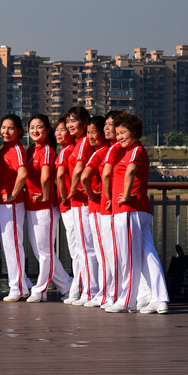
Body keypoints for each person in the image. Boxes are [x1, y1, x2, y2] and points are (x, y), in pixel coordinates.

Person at [105, 113, 169, 314]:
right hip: (137, 210)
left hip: (129, 210)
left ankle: (127, 300)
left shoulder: (135, 150)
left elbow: (131, 170)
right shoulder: (129, 150)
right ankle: (160, 299)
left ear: (134, 132)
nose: (119, 137)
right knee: (148, 256)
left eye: (123, 133)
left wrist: (127, 195)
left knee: (128, 257)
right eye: (118, 133)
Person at [24, 114, 72, 303]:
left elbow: (45, 177)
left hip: (45, 206)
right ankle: (67, 285)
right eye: (32, 127)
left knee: (44, 251)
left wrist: (44, 194)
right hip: (31, 205)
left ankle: (41, 290)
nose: (35, 131)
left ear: (47, 131)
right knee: (41, 251)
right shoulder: (31, 150)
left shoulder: (46, 151)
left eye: (39, 127)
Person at [0, 114, 32, 301]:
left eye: (10, 128)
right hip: (4, 203)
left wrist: (14, 194)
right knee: (9, 244)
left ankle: (17, 288)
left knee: (12, 244)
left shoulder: (16, 148)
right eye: (3, 127)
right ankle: (23, 282)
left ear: (18, 131)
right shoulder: (5, 147)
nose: (5, 131)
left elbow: (23, 172)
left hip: (12, 204)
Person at [79, 115, 114, 308]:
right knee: (102, 251)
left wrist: (91, 194)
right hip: (101, 206)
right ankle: (103, 292)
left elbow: (84, 176)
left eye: (94, 132)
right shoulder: (107, 150)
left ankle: (104, 294)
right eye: (88, 132)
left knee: (102, 252)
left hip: (99, 207)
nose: (90, 136)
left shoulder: (101, 151)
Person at [64, 106, 98, 306]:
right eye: (68, 121)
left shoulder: (84, 142)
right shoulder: (78, 142)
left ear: (85, 122)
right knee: (82, 248)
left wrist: (72, 189)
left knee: (87, 247)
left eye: (73, 120)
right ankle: (86, 288)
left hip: (82, 200)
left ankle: (91, 290)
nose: (69, 125)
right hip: (77, 200)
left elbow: (78, 170)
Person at [54, 117, 80, 304]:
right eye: (57, 130)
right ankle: (80, 287)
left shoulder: (66, 151)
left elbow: (61, 175)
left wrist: (63, 195)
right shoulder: (72, 148)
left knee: (77, 250)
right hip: (74, 205)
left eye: (62, 129)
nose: (59, 133)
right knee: (79, 249)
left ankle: (77, 289)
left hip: (69, 205)